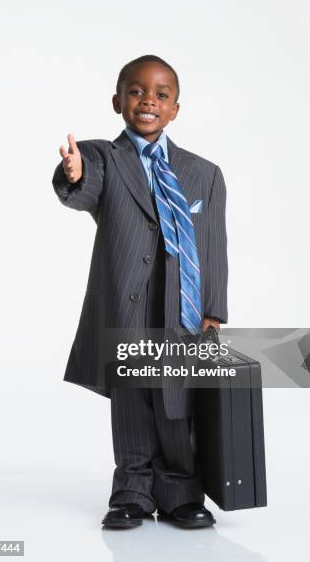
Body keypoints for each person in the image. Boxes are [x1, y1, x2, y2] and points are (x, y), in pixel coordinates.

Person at [52, 55, 228, 528]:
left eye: (161, 94)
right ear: (118, 102)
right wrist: (73, 172)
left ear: (175, 109)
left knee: (176, 401)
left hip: (181, 307)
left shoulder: (203, 173)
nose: (148, 100)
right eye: (135, 91)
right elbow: (83, 184)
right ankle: (131, 491)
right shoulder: (105, 159)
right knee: (132, 397)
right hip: (126, 305)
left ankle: (180, 491)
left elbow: (213, 244)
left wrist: (213, 309)